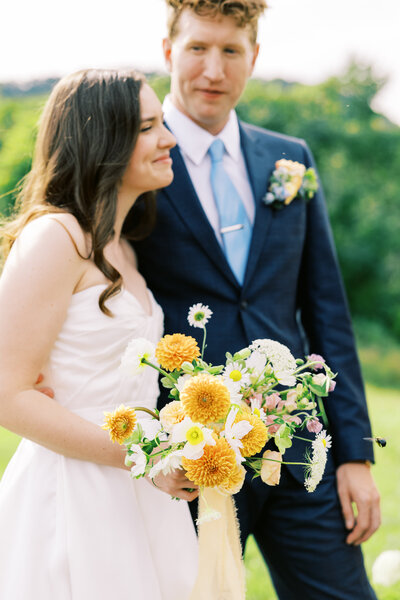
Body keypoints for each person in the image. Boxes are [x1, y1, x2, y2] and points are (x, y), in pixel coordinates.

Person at [131, 1, 381, 598]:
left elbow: (327, 313)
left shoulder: (289, 158)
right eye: (197, 48)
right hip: (189, 453)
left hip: (297, 447)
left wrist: (355, 453)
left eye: (230, 51)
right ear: (169, 51)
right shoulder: (132, 159)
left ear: (254, 57)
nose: (212, 70)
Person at [0, 68, 198, 599]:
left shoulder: (125, 248)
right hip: (73, 488)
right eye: (149, 127)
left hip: (141, 492)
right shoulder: (56, 236)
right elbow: (7, 395)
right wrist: (144, 454)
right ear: (104, 139)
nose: (169, 139)